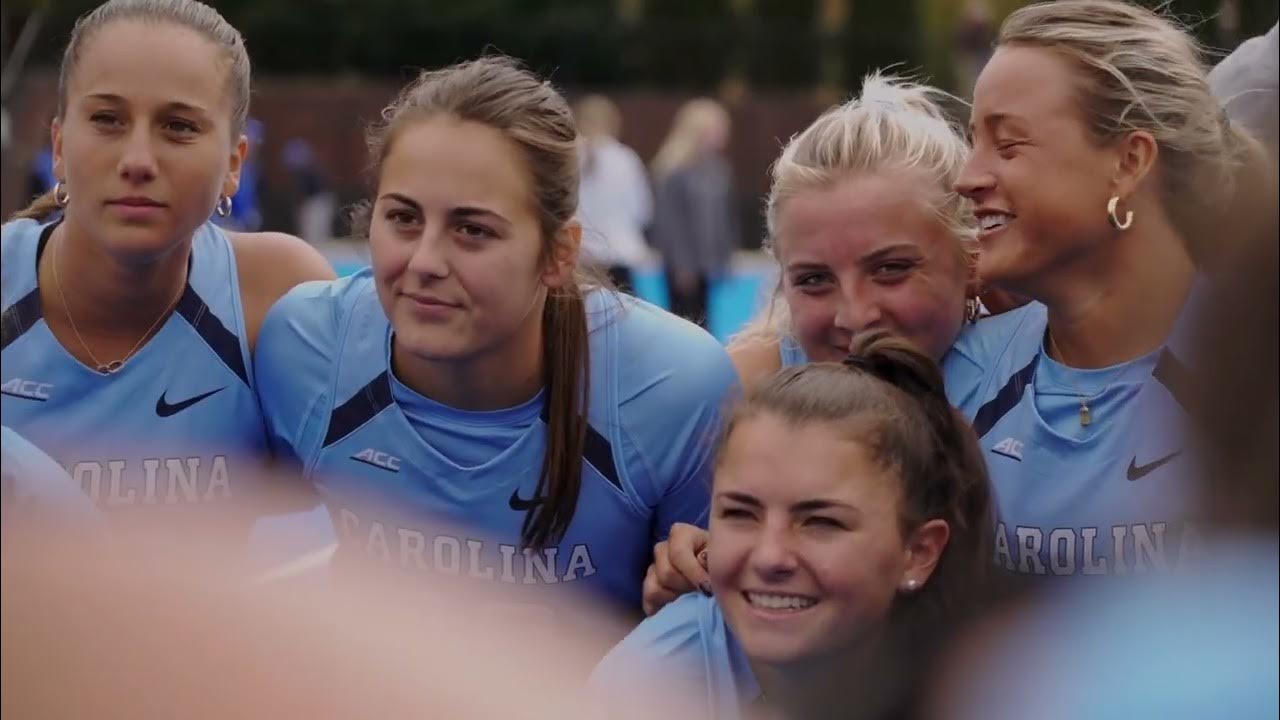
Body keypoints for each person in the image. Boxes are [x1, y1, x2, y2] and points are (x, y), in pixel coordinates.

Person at [253, 56, 737, 617]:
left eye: (472, 229)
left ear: (559, 253)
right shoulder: (305, 348)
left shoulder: (672, 389)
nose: (425, 261)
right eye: (404, 218)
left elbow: (727, 649)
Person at [0, 0, 333, 532]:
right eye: (107, 119)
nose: (137, 160)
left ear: (233, 165)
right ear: (59, 147)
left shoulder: (274, 297)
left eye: (178, 127)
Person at [591, 332, 994, 719]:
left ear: (918, 553)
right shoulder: (651, 679)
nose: (770, 557)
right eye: (740, 514)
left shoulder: (1000, 685)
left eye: (821, 522)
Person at [728, 73, 979, 390]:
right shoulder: (736, 397)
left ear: (972, 260)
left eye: (890, 269)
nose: (855, 317)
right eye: (814, 280)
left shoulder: (1033, 377)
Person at [649, 98, 738, 328]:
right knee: (683, 319)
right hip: (683, 264)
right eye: (716, 129)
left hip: (706, 261)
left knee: (705, 317)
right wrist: (681, 264)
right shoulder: (674, 170)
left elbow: (722, 218)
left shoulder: (718, 169)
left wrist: (725, 256)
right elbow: (669, 222)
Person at [574, 94, 653, 293]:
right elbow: (642, 210)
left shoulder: (571, 158)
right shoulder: (625, 159)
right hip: (619, 252)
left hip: (581, 254)